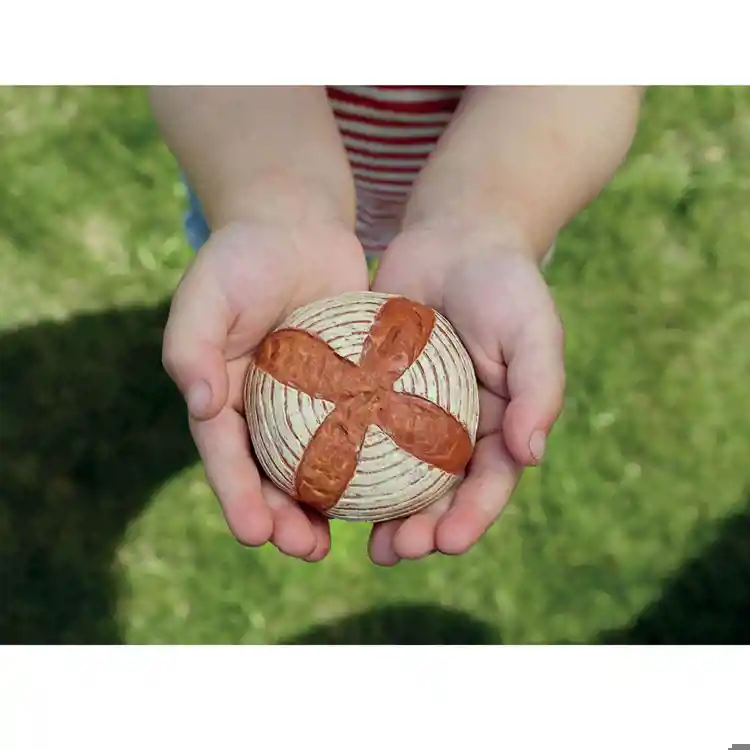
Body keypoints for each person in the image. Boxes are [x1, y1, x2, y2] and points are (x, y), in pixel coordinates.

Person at [150, 85, 642, 567]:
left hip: (492, 169)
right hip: (246, 152)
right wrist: (274, 207)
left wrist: (489, 223)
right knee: (248, 303)